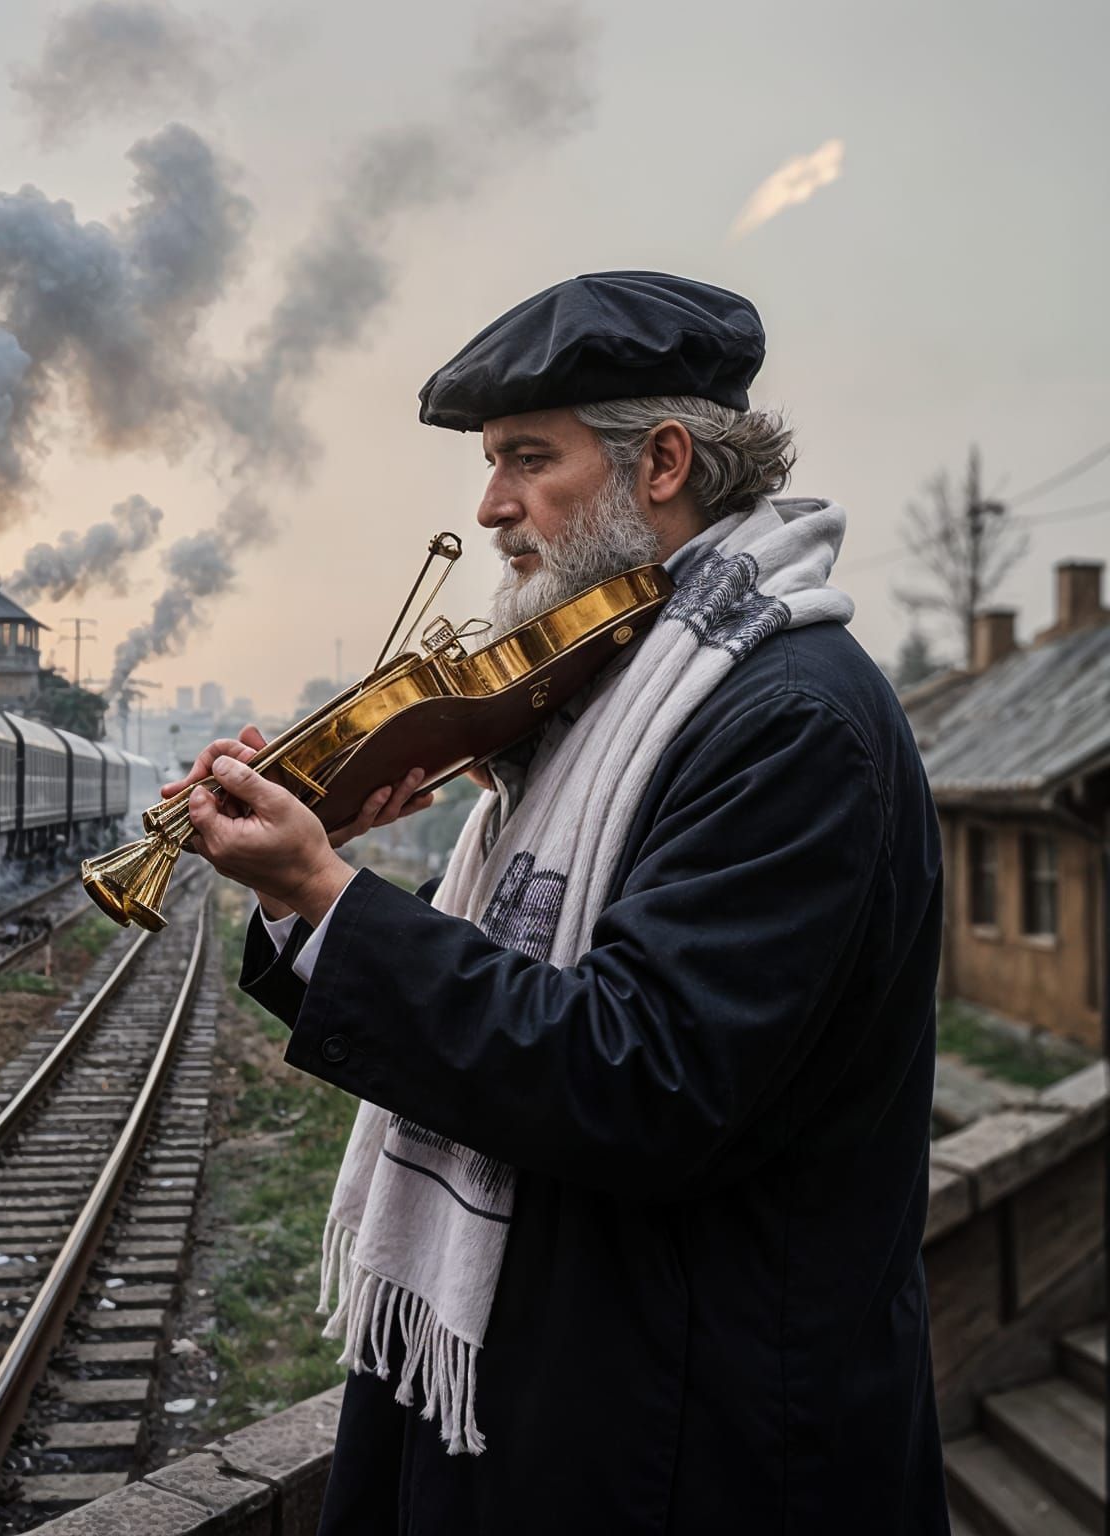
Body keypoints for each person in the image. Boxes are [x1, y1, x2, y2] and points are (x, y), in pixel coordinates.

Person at [165, 271, 949, 1534]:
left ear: (665, 464)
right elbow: (525, 976)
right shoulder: (622, 692)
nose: (491, 508)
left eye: (529, 459)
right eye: (490, 463)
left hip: (704, 1446)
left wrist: (327, 892)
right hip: (599, 1393)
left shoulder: (786, 721)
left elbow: (638, 1071)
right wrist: (319, 890)